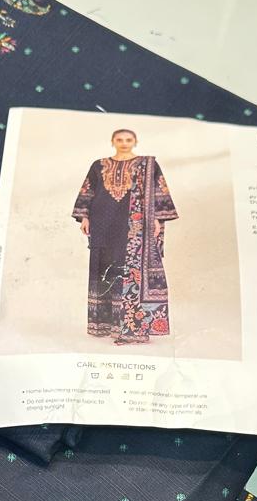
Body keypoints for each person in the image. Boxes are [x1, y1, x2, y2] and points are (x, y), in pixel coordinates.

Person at [72, 129, 178, 344]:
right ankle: (105, 324)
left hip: (134, 222)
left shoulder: (147, 165)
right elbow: (88, 191)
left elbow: (159, 191)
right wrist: (84, 217)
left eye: (128, 140)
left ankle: (130, 326)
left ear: (135, 142)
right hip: (102, 220)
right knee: (104, 267)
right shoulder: (98, 165)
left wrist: (157, 219)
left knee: (129, 267)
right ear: (112, 141)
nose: (124, 143)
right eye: (119, 140)